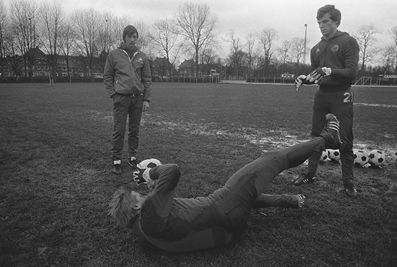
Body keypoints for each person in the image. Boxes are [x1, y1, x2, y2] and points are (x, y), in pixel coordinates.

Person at [109, 114, 341, 253]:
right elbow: (172, 171)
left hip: (227, 233)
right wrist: (152, 173)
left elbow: (164, 210)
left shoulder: (143, 230)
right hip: (222, 210)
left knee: (242, 196)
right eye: (139, 197)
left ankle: (287, 201)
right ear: (137, 208)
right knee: (270, 158)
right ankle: (328, 139)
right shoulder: (149, 214)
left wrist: (155, 192)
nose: (145, 196)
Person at [293, 5, 359, 196]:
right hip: (322, 96)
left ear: (336, 21)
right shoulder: (316, 48)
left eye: (325, 21)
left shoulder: (348, 42)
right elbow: (316, 76)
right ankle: (309, 174)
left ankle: (348, 182)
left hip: (342, 96)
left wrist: (330, 71)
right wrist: (304, 79)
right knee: (315, 137)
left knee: (345, 139)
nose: (321, 25)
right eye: (319, 22)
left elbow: (352, 73)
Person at [104, 25, 152, 175]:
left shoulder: (142, 56)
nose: (133, 39)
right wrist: (114, 94)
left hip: (137, 99)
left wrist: (147, 99)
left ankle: (132, 157)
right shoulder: (114, 55)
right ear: (124, 38)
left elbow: (147, 79)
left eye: (135, 37)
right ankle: (116, 160)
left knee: (134, 130)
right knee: (119, 130)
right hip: (121, 99)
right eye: (130, 36)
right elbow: (107, 76)